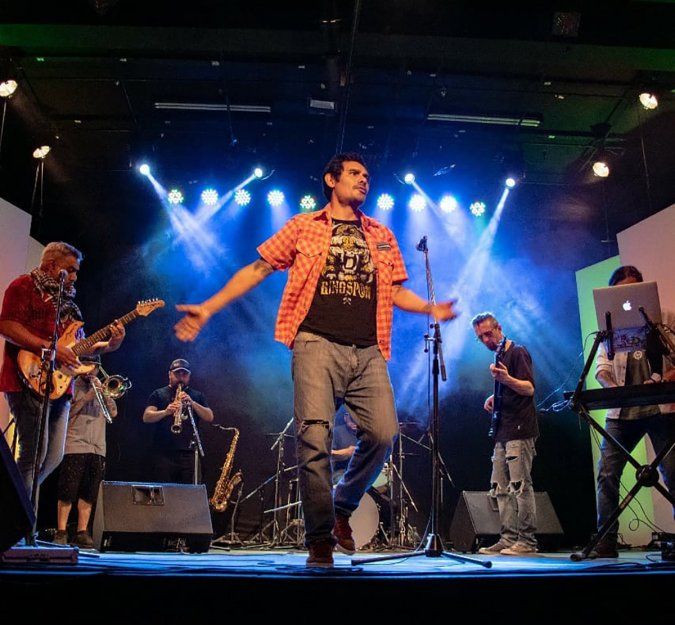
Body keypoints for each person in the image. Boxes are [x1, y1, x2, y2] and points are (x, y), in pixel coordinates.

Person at [174, 152, 457, 567]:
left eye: (367, 175)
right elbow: (257, 269)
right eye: (355, 173)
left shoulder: (381, 234)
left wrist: (430, 309)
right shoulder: (304, 226)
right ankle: (319, 537)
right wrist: (209, 307)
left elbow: (395, 291)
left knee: (383, 433)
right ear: (331, 179)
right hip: (314, 345)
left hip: (369, 350)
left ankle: (342, 505)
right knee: (314, 440)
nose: (364, 180)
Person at [0, 241, 125, 498]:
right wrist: (51, 348)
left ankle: (18, 505)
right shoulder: (23, 286)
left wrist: (111, 344)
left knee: (54, 457)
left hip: (61, 385)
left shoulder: (68, 305)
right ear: (51, 266)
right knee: (33, 454)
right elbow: (7, 327)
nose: (76, 277)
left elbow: (80, 347)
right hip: (26, 378)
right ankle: (18, 514)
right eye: (71, 270)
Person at [591, 265, 675, 558]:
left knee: (673, 471)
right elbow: (601, 368)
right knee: (607, 473)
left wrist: (664, 379)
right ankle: (606, 541)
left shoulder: (664, 318)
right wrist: (615, 389)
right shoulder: (609, 327)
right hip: (623, 412)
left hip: (661, 407)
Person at [472, 311, 539, 556]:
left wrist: (507, 379)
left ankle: (527, 540)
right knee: (500, 486)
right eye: (480, 337)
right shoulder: (499, 354)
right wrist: (496, 396)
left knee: (520, 485)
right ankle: (508, 537)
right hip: (503, 429)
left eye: (488, 334)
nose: (485, 340)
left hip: (519, 428)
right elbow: (511, 385)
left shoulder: (517, 352)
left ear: (499, 328)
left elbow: (529, 388)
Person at [54, 356, 116, 548]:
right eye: (87, 365)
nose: (90, 370)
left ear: (98, 368)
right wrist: (87, 397)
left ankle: (82, 531)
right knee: (67, 490)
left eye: (94, 367)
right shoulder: (70, 384)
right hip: (75, 444)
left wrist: (105, 394)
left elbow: (113, 414)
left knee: (89, 492)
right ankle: (61, 531)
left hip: (97, 447)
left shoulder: (102, 386)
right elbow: (64, 414)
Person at [142, 358, 214, 484]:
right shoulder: (158, 394)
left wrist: (192, 403)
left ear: (189, 376)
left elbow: (209, 417)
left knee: (188, 491)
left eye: (184, 374)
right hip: (163, 452)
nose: (181, 377)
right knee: (165, 491)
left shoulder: (197, 395)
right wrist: (165, 412)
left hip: (189, 453)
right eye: (177, 373)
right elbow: (146, 417)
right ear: (169, 374)